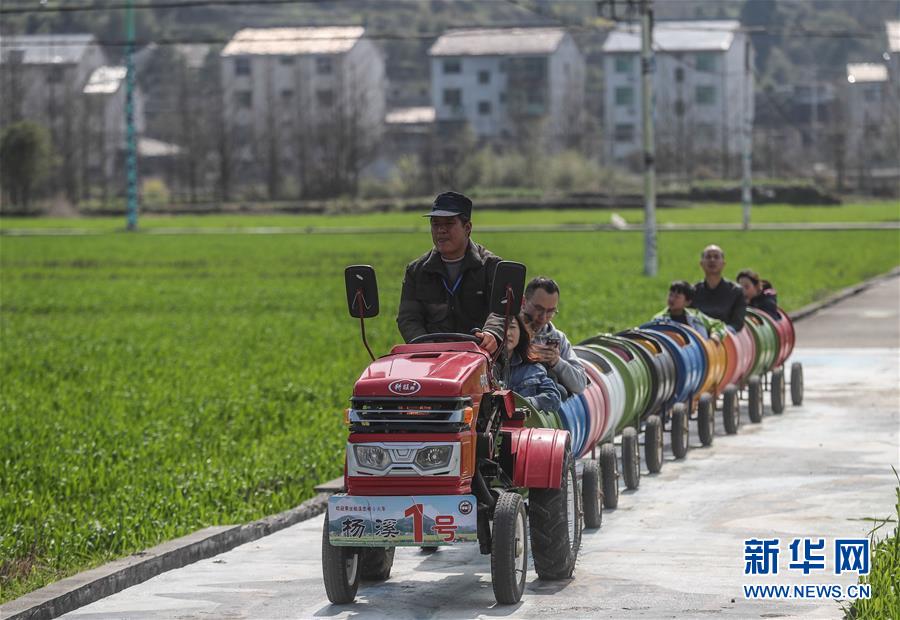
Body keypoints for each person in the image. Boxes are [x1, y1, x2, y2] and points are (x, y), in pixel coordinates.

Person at [397, 192, 503, 352]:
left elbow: (502, 311)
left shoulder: (492, 267)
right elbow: (408, 318)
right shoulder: (416, 271)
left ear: (467, 228)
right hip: (432, 359)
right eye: (435, 224)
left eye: (448, 223)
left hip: (480, 356)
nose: (441, 230)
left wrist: (491, 333)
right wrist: (427, 349)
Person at [520, 276, 587, 400]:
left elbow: (580, 385)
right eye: (539, 309)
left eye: (551, 311)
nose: (543, 317)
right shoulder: (509, 330)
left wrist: (556, 361)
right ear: (524, 302)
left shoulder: (558, 338)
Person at [504, 314, 561, 414]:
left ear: (520, 332)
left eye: (512, 327)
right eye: (502, 328)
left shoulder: (532, 369)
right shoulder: (481, 368)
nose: (508, 333)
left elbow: (554, 398)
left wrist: (526, 404)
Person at [692, 244, 746, 332]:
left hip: (726, 338)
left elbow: (737, 323)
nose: (712, 260)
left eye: (716, 257)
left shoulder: (735, 291)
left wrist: (721, 333)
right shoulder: (693, 291)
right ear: (701, 263)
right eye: (708, 257)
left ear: (723, 263)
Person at [654, 280, 727, 341]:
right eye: (670, 295)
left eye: (677, 297)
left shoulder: (696, 317)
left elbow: (719, 325)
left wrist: (716, 335)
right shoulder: (659, 319)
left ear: (687, 302)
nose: (672, 299)